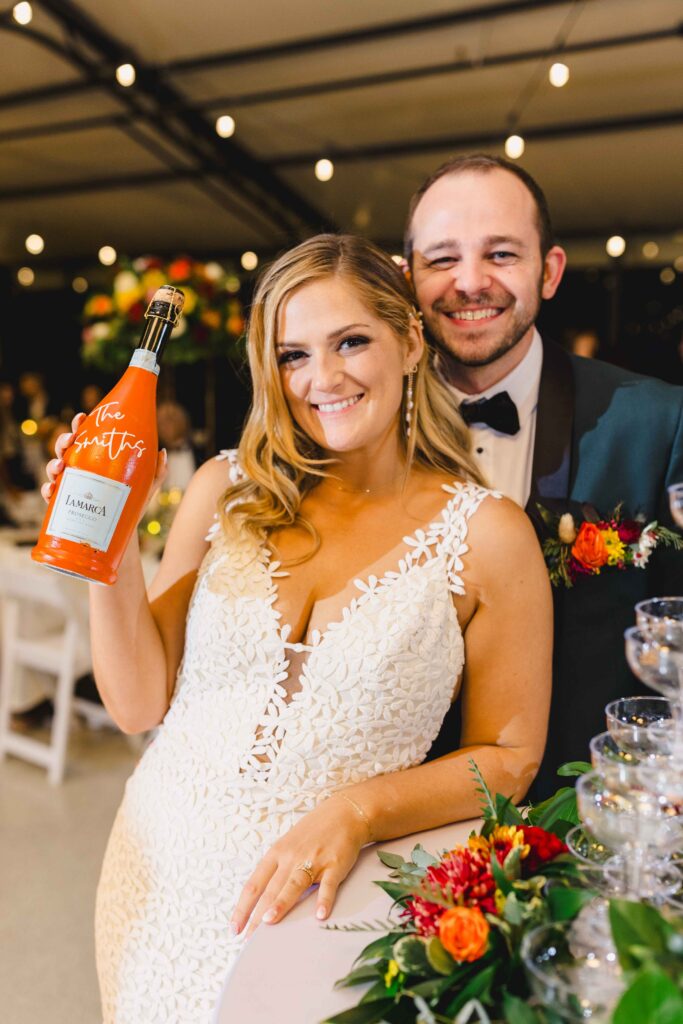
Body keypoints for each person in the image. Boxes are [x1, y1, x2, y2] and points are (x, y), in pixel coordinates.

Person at [43, 235, 551, 1023]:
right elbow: (140, 704)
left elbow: (510, 758)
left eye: (351, 341)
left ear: (410, 341)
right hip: (158, 870)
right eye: (293, 355)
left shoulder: (487, 533)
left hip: (324, 906)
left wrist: (356, 812)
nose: (324, 378)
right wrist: (108, 550)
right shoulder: (222, 489)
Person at [404, 153, 683, 795]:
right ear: (407, 277)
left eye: (501, 254)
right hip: (402, 834)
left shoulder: (657, 425)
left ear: (548, 271)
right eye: (442, 259)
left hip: (584, 823)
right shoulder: (363, 431)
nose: (469, 282)